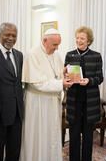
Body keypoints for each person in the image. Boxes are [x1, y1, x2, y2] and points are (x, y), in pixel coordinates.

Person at [20, 28, 73, 161]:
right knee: (38, 136)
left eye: (58, 44)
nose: (56, 48)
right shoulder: (32, 54)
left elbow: (56, 75)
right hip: (37, 103)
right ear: (44, 41)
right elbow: (37, 84)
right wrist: (61, 84)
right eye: (54, 44)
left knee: (51, 135)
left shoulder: (56, 55)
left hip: (52, 103)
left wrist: (64, 73)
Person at [64, 26, 103, 161]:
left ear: (89, 41)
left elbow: (100, 78)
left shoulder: (96, 56)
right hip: (74, 101)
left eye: (82, 38)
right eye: (77, 38)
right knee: (74, 135)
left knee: (88, 136)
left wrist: (89, 80)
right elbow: (65, 76)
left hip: (90, 103)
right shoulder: (70, 55)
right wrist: (67, 78)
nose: (79, 41)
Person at [0, 23, 23, 161]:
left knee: (14, 150)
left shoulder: (19, 55)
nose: (10, 38)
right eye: (7, 34)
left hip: (17, 112)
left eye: (14, 35)